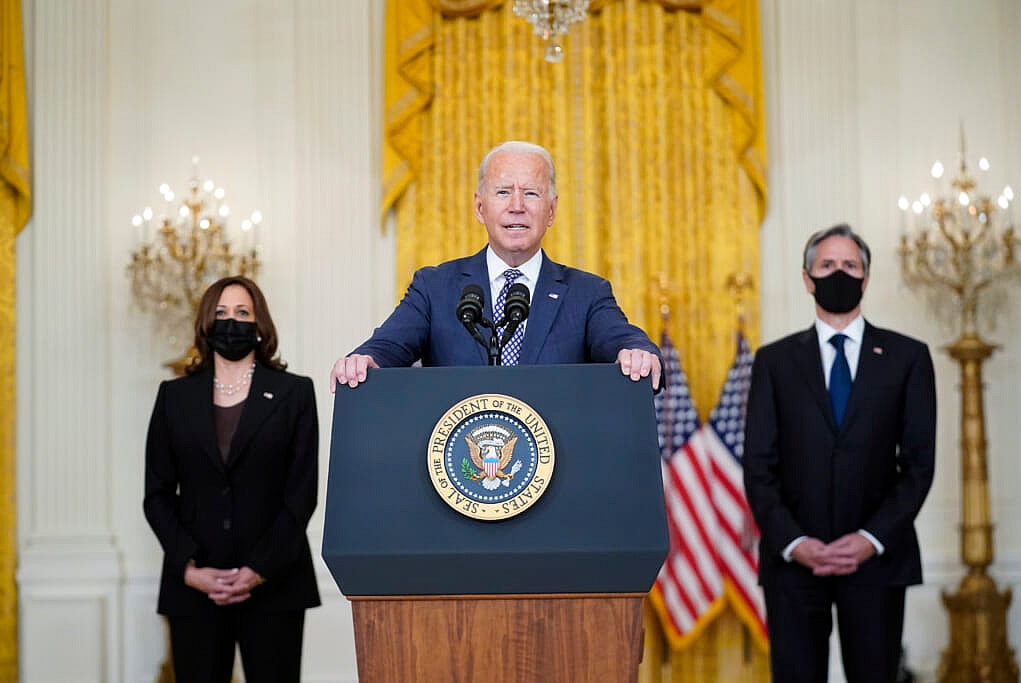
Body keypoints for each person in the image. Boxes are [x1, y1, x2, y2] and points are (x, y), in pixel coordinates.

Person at [742, 224, 937, 683]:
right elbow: (758, 466)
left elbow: (918, 465)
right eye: (827, 265)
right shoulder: (774, 362)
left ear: (865, 279)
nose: (839, 274)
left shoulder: (908, 357)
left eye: (850, 265)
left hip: (877, 564)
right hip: (793, 565)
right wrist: (795, 543)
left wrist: (870, 538)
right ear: (807, 278)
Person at [330, 140, 662, 390]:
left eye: (531, 193)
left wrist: (637, 352)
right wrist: (365, 360)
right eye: (503, 192)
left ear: (551, 211)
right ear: (480, 208)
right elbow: (386, 347)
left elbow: (624, 340)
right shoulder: (435, 287)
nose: (517, 206)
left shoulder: (586, 293)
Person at [143, 275, 320, 683]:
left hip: (275, 583)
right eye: (221, 313)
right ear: (207, 323)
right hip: (194, 586)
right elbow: (157, 494)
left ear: (260, 324)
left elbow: (301, 494)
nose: (232, 321)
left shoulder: (294, 393)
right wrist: (189, 569)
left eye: (243, 312)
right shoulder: (174, 396)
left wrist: (259, 568)